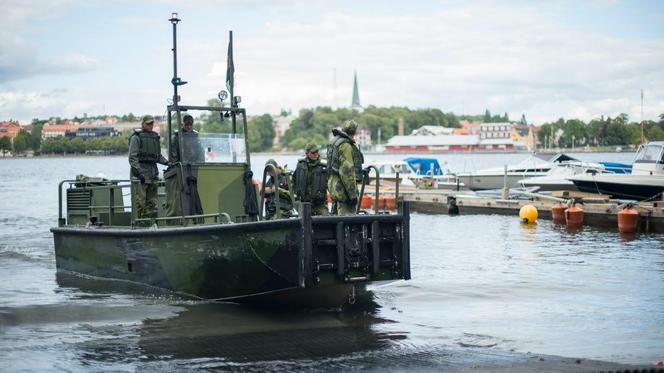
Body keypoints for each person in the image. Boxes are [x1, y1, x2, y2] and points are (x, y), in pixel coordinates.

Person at [129, 115, 169, 219]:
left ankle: (150, 222)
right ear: (143, 124)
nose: (150, 125)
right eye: (148, 123)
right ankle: (139, 223)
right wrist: (139, 172)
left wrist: (168, 163)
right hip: (141, 175)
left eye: (152, 123)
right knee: (140, 202)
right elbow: (133, 158)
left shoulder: (155, 137)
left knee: (152, 202)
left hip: (152, 173)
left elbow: (158, 156)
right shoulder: (136, 137)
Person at [327, 120, 364, 215]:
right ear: (354, 131)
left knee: (337, 219)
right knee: (348, 222)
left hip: (334, 187)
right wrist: (352, 194)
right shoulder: (345, 146)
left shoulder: (334, 142)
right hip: (343, 191)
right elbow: (347, 172)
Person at [293, 143, 328, 216]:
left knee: (325, 220)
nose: (316, 154)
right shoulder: (300, 165)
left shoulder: (323, 166)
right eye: (313, 153)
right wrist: (296, 195)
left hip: (320, 203)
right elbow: (294, 180)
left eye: (317, 152)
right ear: (307, 153)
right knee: (303, 222)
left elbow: (330, 183)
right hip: (304, 203)